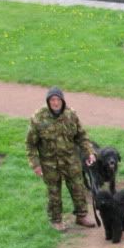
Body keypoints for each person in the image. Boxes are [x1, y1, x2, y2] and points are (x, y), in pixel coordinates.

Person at [26, 87, 97, 231]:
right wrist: (35, 164)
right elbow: (30, 144)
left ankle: (81, 216)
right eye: (52, 100)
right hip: (50, 164)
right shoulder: (38, 118)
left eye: (58, 100)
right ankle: (56, 220)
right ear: (48, 101)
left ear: (62, 101)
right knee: (54, 193)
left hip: (71, 160)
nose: (55, 103)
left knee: (78, 187)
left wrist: (89, 152)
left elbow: (81, 136)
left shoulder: (71, 115)